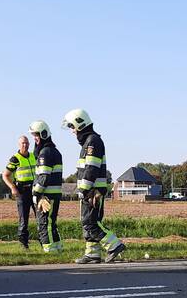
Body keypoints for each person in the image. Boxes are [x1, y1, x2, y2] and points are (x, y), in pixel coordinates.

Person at [62, 108, 125, 264]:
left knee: (91, 222)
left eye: (72, 127)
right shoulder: (90, 141)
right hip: (91, 190)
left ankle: (114, 245)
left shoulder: (92, 141)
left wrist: (85, 189)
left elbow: (91, 168)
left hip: (92, 192)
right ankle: (92, 254)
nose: (72, 131)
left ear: (80, 124)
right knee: (88, 222)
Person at [29, 121, 64, 253]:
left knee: (44, 224)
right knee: (51, 223)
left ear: (43, 134)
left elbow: (43, 177)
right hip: (53, 194)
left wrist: (36, 194)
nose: (34, 138)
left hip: (46, 196)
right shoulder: (54, 151)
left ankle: (49, 251)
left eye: (36, 135)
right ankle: (58, 248)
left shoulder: (45, 153)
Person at [3, 136, 36, 249]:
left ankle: (44, 242)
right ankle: (23, 244)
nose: (25, 145)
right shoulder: (15, 159)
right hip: (22, 191)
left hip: (35, 190)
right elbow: (5, 175)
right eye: (22, 143)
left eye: (26, 143)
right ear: (19, 144)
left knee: (41, 218)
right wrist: (12, 187)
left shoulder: (34, 156)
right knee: (24, 219)